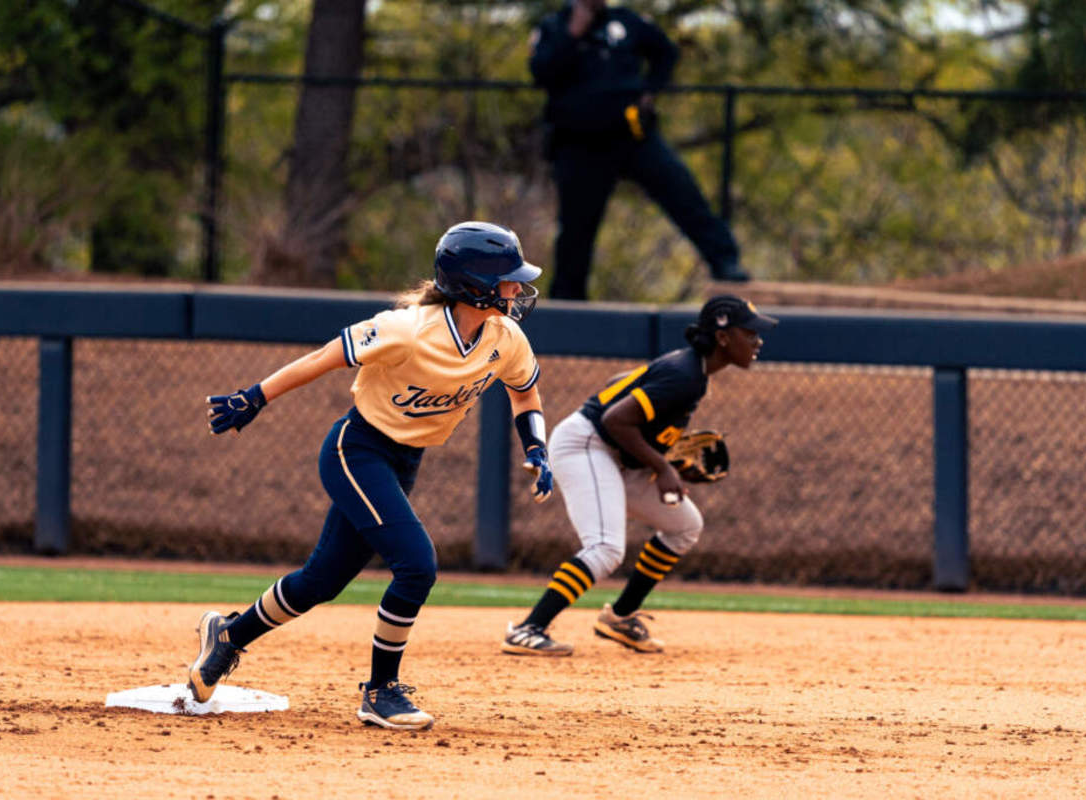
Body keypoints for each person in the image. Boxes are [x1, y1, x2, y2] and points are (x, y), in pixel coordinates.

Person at [189, 221, 554, 730]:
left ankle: (229, 635)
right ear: (473, 284)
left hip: (406, 460)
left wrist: (535, 446)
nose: (517, 288)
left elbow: (525, 394)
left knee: (321, 581)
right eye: (508, 278)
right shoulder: (408, 328)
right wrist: (255, 396)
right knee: (417, 564)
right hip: (357, 450)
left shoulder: (505, 337)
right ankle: (380, 691)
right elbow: (324, 358)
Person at [502, 294, 776, 655]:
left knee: (684, 525)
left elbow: (621, 384)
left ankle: (620, 616)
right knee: (605, 547)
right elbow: (615, 419)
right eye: (749, 333)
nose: (758, 340)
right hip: (588, 445)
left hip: (614, 453)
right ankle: (528, 628)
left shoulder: (693, 372)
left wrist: (663, 462)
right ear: (723, 337)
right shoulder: (686, 374)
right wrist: (661, 467)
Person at [530, 0, 751, 301]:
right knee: (576, 229)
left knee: (682, 192)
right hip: (579, 143)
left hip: (632, 133)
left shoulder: (626, 21)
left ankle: (725, 261)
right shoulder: (553, 27)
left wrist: (650, 89)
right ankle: (569, 300)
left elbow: (666, 53)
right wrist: (574, 32)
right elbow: (542, 73)